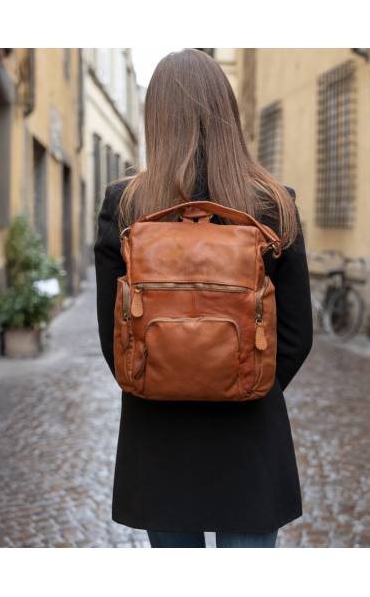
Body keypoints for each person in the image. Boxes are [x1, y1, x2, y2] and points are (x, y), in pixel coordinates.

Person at [94, 49, 312, 548]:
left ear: (155, 119)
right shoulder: (272, 203)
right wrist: (244, 379)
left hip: (159, 441)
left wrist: (168, 375)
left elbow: (115, 338)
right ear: (227, 113)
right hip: (251, 438)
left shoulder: (126, 205)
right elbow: (297, 335)